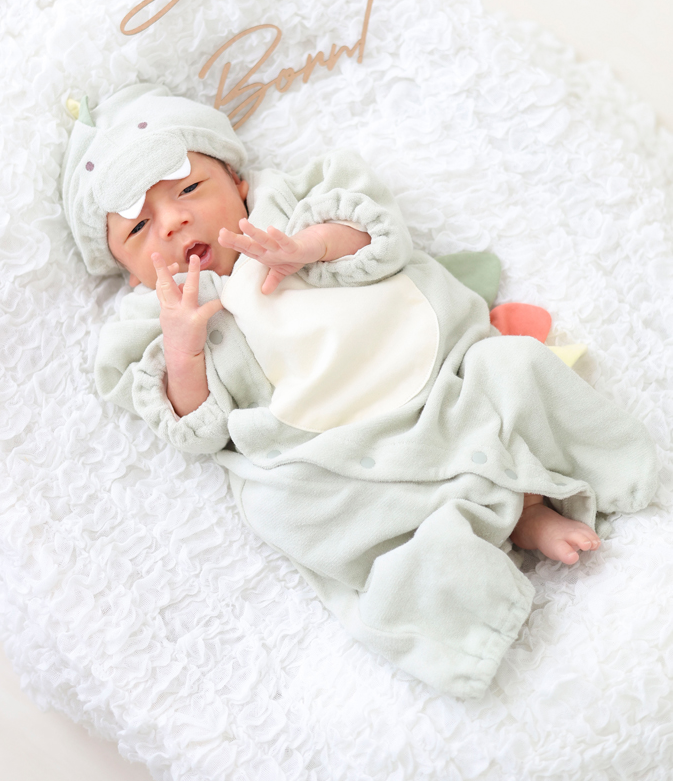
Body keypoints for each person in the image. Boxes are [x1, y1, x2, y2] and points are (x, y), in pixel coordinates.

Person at [63, 82, 657, 698]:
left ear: (238, 182)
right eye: (138, 229)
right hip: (340, 456)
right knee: (285, 508)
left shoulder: (290, 200)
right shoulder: (150, 326)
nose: (172, 222)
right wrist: (184, 348)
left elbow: (381, 237)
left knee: (516, 370)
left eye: (189, 189)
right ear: (127, 273)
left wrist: (309, 247)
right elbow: (197, 429)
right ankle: (461, 552)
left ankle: (541, 501)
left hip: (440, 378)